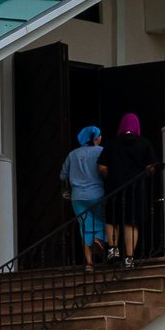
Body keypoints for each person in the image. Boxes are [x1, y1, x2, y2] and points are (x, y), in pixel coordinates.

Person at [107, 109, 151, 265]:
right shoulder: (144, 143)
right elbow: (151, 166)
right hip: (136, 189)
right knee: (131, 223)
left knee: (112, 219)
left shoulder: (112, 143)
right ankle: (129, 258)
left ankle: (113, 249)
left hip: (114, 188)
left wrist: (113, 176)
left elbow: (101, 167)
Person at [62, 123, 107, 265]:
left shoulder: (72, 154)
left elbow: (63, 175)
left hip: (77, 197)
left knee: (85, 227)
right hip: (97, 194)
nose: (101, 137)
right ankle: (98, 240)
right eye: (99, 135)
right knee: (104, 221)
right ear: (95, 138)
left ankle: (88, 263)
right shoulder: (101, 151)